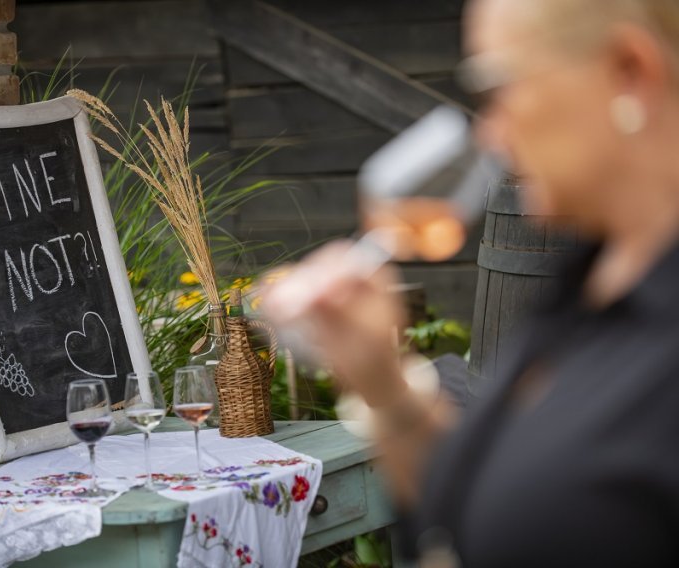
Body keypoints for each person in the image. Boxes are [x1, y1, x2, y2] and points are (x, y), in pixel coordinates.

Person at [259, 0, 679, 565]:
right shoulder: (588, 278)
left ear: (631, 69)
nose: (492, 133)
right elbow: (472, 517)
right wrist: (383, 385)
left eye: (497, 87)